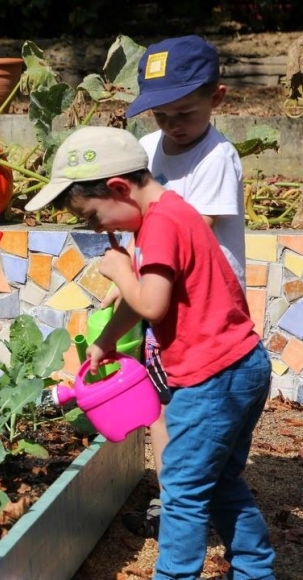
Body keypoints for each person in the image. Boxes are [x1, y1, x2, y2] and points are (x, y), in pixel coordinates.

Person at [24, 126, 274, 580]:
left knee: (180, 488)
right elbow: (150, 300)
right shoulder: (171, 212)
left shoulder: (159, 227)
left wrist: (119, 271)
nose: (99, 230)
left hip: (211, 378)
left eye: (95, 218)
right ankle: (255, 570)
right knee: (218, 484)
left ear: (119, 188)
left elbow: (151, 303)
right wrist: (105, 340)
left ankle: (175, 575)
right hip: (243, 365)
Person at [108, 34, 247, 538]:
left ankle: (201, 496)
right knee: (163, 407)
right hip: (161, 304)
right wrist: (131, 279)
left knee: (203, 411)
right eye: (161, 116)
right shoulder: (148, 151)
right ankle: (173, 504)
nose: (172, 126)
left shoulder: (217, 158)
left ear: (218, 98)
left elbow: (193, 237)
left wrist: (134, 279)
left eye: (183, 113)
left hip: (207, 308)